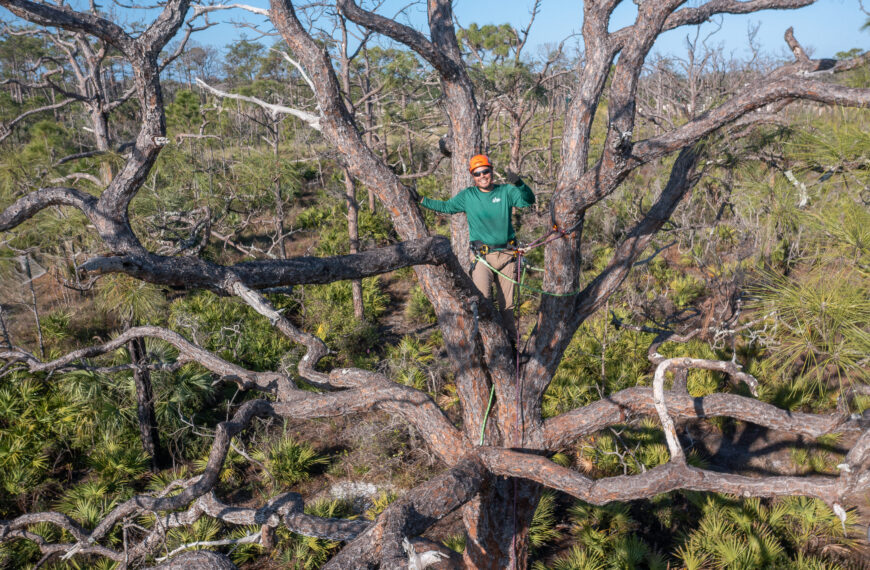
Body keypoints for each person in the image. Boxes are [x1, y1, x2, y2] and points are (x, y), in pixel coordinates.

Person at [420, 154, 535, 341]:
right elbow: (446, 207)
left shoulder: (506, 191)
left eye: (485, 171)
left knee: (507, 307)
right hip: (482, 258)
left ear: (491, 171)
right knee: (483, 303)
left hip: (507, 256)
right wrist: (421, 200)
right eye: (477, 173)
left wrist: (519, 183)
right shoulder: (468, 196)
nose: (482, 176)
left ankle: (512, 344)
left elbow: (528, 201)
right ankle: (488, 343)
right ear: (472, 176)